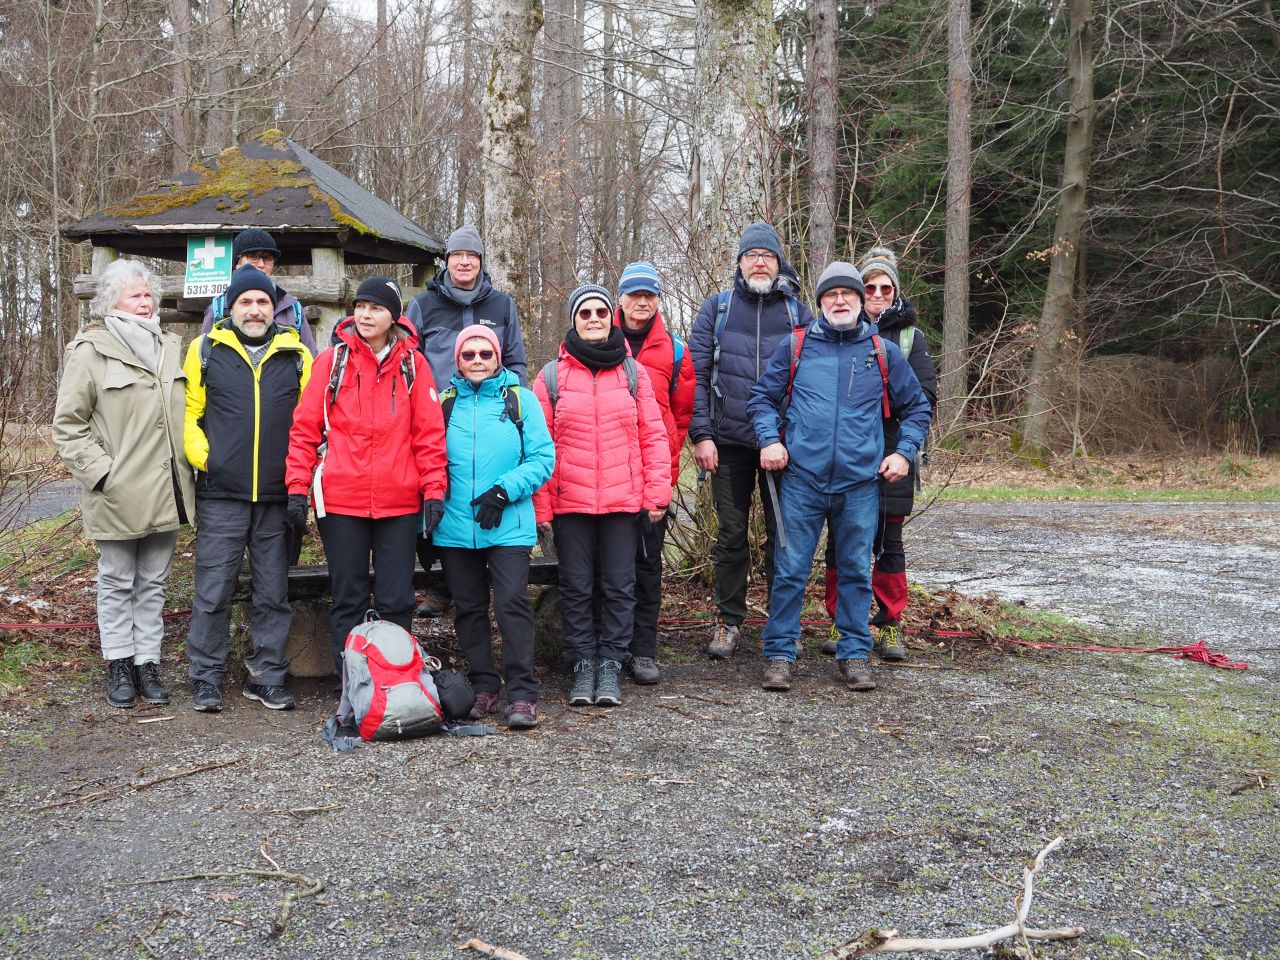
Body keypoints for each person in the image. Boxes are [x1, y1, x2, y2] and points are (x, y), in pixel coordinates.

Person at [747, 262, 931, 693]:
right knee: (790, 570)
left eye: (848, 294)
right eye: (832, 295)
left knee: (854, 572)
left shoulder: (882, 353)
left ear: (860, 301)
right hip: (801, 481)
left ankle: (854, 653)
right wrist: (769, 440)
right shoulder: (795, 348)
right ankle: (779, 653)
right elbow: (761, 399)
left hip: (859, 485)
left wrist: (904, 453)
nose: (841, 301)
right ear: (821, 302)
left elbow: (917, 407)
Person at [284, 276, 447, 678]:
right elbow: (304, 429)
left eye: (375, 308)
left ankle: (396, 681)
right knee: (349, 597)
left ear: (394, 316)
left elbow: (428, 434)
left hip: (398, 501)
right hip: (341, 501)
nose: (365, 314)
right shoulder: (332, 361)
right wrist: (296, 487)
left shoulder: (413, 365)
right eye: (360, 306)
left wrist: (434, 490)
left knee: (396, 599)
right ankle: (352, 686)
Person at [52, 259, 195, 709]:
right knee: (116, 581)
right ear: (110, 301)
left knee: (153, 582)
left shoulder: (172, 346)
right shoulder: (90, 351)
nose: (146, 301)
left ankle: (146, 664)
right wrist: (103, 475)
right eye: (135, 294)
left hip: (167, 491)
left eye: (149, 294)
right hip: (116, 493)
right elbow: (67, 426)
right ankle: (118, 662)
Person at [533, 285, 671, 708]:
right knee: (576, 587)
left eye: (599, 312)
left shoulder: (633, 374)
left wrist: (657, 493)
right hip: (571, 503)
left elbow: (653, 435)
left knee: (619, 586)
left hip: (623, 502)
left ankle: (610, 662)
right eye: (584, 313)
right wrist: (543, 505)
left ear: (610, 318)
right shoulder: (551, 377)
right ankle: (582, 664)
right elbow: (539, 447)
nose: (593, 318)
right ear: (573, 320)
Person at [182, 265, 313, 713]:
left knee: (272, 593)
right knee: (213, 589)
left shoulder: (296, 354)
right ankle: (205, 676)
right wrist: (209, 460)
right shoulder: (204, 351)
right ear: (231, 307)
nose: (255, 310)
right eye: (246, 302)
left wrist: (300, 478)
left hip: (277, 497)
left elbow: (311, 423)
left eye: (262, 302)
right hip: (221, 493)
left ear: (273, 309)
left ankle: (267, 676)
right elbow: (190, 414)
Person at [688, 222, 813, 660]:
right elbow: (696, 377)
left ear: (779, 263)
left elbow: (815, 381)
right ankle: (728, 621)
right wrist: (701, 434)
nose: (759, 262)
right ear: (739, 263)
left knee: (786, 538)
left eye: (767, 255)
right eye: (751, 255)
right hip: (728, 443)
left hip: (785, 446)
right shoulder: (717, 310)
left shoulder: (799, 314)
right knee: (731, 536)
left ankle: (784, 625)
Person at [405, 225, 530, 619]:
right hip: (437, 416)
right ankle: (442, 584)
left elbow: (515, 359)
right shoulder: (423, 306)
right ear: (446, 261)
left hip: (493, 415)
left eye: (472, 256)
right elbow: (410, 361)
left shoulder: (502, 305)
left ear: (480, 262)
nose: (464, 262)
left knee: (484, 492)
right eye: (458, 255)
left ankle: (489, 586)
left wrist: (515, 406)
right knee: (441, 495)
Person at [433, 325, 555, 729]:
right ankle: (483, 685)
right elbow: (430, 460)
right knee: (468, 609)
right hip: (455, 527)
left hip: (507, 522)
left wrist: (505, 491)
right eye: (469, 355)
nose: (478, 361)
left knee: (511, 606)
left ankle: (522, 693)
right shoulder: (445, 402)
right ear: (458, 360)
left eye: (486, 354)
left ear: (498, 357)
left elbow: (542, 459)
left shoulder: (520, 399)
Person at [820, 246, 938, 661]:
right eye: (869, 286)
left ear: (895, 291)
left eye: (885, 287)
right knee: (841, 538)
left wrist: (904, 449)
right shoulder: (828, 331)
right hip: (845, 450)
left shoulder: (908, 338)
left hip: (891, 452)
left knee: (889, 542)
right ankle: (840, 618)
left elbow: (924, 396)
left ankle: (889, 624)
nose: (877, 293)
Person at [611, 261, 694, 685]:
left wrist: (664, 468)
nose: (641, 302)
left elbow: (681, 418)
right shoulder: (597, 335)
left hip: (652, 479)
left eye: (649, 295)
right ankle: (611, 647)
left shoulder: (676, 351)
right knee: (607, 569)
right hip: (606, 479)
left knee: (647, 566)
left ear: (657, 300)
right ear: (620, 298)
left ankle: (643, 649)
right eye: (634, 295)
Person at [200, 228, 318, 355]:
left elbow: (311, 360)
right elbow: (203, 356)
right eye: (253, 257)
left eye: (267, 258)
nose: (261, 264)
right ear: (237, 263)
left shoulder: (292, 308)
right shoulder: (218, 308)